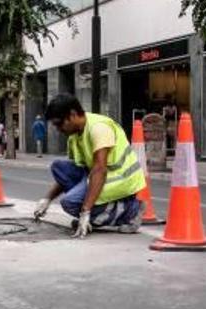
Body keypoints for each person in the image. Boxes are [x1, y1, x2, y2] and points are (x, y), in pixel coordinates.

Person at [33, 94, 146, 239]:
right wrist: (47, 199)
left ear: (72, 115)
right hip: (96, 173)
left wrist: (85, 211)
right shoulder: (74, 136)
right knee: (58, 167)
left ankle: (131, 211)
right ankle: (96, 213)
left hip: (121, 177)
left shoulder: (98, 128)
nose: (58, 129)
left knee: (70, 203)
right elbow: (72, 174)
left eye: (59, 124)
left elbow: (100, 169)